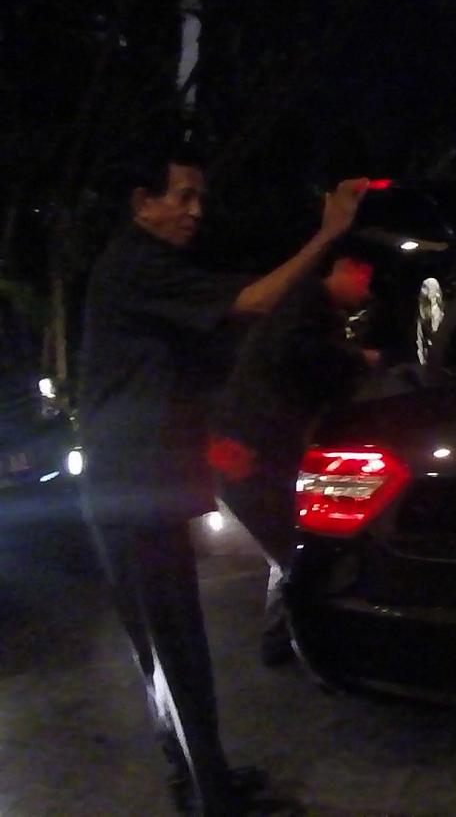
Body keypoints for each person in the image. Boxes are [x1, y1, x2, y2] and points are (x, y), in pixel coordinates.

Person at [77, 148, 366, 816]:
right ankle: (212, 798)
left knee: (169, 649)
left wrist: (215, 443)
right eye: (180, 196)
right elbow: (254, 302)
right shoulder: (136, 264)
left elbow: (176, 373)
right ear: (140, 201)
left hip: (141, 490)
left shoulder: (149, 270)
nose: (194, 210)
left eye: (198, 198)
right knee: (171, 651)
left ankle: (203, 781)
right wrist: (327, 233)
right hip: (133, 496)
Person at [208, 238, 381, 667]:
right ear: (345, 267)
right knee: (293, 550)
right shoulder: (306, 301)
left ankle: (281, 641)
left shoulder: (308, 308)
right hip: (251, 450)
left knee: (290, 547)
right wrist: (358, 358)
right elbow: (300, 356)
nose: (368, 292)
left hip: (252, 449)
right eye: (367, 280)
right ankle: (309, 648)